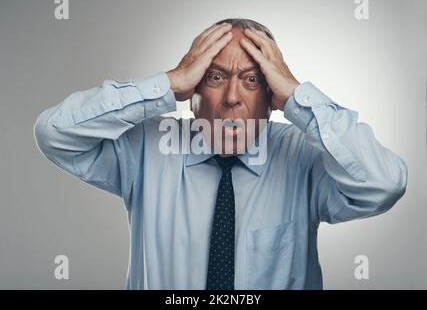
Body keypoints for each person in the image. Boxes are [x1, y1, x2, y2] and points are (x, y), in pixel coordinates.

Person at [34, 18, 408, 289]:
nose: (232, 98)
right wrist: (168, 82)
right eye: (214, 77)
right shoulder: (146, 148)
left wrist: (298, 97)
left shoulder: (304, 157)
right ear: (192, 94)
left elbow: (384, 184)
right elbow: (55, 133)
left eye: (252, 79)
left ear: (271, 98)